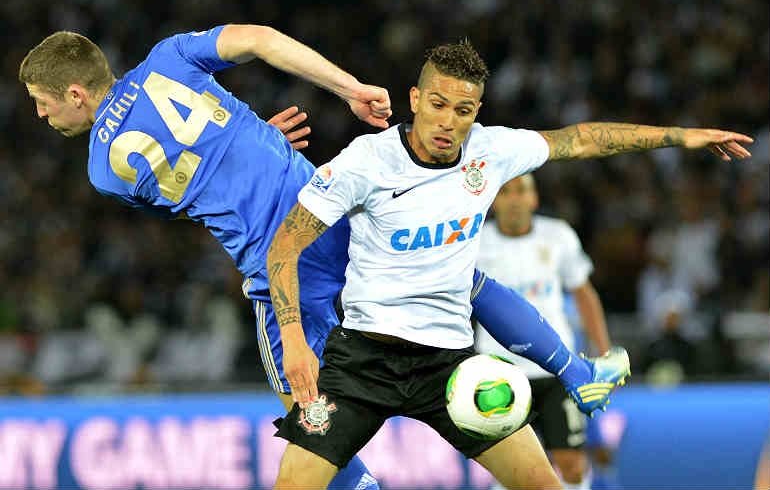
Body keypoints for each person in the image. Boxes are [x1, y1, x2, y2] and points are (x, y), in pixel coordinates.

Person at [19, 25, 620, 490]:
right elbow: (261, 40)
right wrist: (343, 90)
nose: (41, 116)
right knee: (457, 278)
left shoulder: (104, 172)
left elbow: (201, 196)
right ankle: (576, 371)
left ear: (77, 93)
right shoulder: (171, 57)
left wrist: (244, 145)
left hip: (284, 271)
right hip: (336, 226)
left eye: (43, 103)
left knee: (305, 417)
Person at [265, 40, 752, 489]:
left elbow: (582, 139)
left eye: (463, 110)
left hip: (448, 367)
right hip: (362, 362)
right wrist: (294, 343)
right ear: (414, 99)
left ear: (476, 113)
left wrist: (683, 136)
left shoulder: (490, 151)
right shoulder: (367, 161)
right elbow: (284, 245)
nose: (448, 122)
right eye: (437, 105)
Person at [474, 173, 611, 490]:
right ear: (494, 201)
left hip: (556, 369)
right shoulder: (476, 243)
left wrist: (602, 352)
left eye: (522, 191)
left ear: (534, 199)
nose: (514, 199)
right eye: (506, 192)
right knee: (512, 469)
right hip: (500, 373)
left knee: (572, 466)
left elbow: (584, 293)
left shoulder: (558, 236)